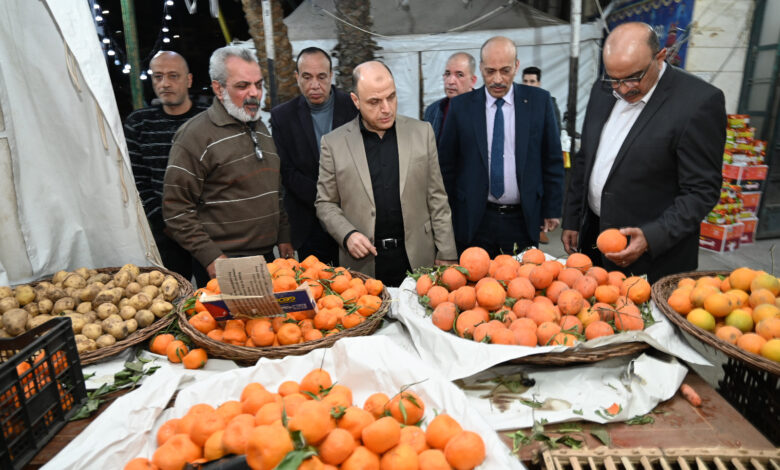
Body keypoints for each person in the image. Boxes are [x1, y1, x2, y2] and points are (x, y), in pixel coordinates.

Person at [561, 22, 725, 283]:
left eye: (633, 78)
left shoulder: (698, 102)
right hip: (593, 237)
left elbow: (702, 191)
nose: (622, 89)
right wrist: (572, 219)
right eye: (614, 79)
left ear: (660, 57)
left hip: (654, 257)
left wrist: (652, 236)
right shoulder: (602, 89)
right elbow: (586, 159)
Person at [315, 61, 457, 286]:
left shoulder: (422, 133)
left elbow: (437, 198)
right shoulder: (334, 144)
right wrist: (348, 235)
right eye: (374, 102)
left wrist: (447, 252)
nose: (386, 108)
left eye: (391, 97)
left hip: (418, 259)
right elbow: (325, 203)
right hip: (363, 266)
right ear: (356, 101)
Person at [163, 46, 293, 286]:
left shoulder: (260, 127)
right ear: (218, 88)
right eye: (243, 86)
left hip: (268, 259)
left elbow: (273, 190)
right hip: (224, 263)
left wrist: (283, 236)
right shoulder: (194, 136)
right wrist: (211, 257)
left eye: (259, 84)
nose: (254, 93)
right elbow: (176, 209)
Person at [438, 36, 564, 257]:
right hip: (474, 218)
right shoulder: (461, 107)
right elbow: (446, 165)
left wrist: (552, 208)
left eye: (505, 71)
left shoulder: (539, 102)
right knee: (474, 277)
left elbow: (551, 158)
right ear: (481, 68)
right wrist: (445, 217)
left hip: (522, 219)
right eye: (490, 71)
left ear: (516, 66)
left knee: (522, 278)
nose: (497, 79)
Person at [270, 47, 357, 266]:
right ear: (297, 77)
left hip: (353, 219)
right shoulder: (283, 117)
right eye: (307, 77)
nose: (315, 85)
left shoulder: (354, 107)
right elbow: (286, 172)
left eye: (321, 77)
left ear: (331, 76)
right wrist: (325, 201)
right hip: (308, 223)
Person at [124, 51, 207, 279]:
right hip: (164, 231)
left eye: (173, 76)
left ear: (188, 80)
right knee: (171, 294)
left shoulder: (208, 119)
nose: (165, 83)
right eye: (158, 76)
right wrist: (164, 223)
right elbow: (137, 180)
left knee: (213, 296)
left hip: (209, 228)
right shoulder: (139, 123)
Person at [521, 65, 564, 245]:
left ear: (539, 83)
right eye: (525, 81)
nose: (528, 85)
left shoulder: (548, 102)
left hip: (539, 160)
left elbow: (554, 135)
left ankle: (539, 229)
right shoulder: (516, 103)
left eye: (532, 81)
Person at [423, 52, 477, 143]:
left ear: (472, 81)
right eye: (447, 74)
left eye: (459, 75)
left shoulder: (484, 109)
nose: (451, 81)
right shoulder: (433, 110)